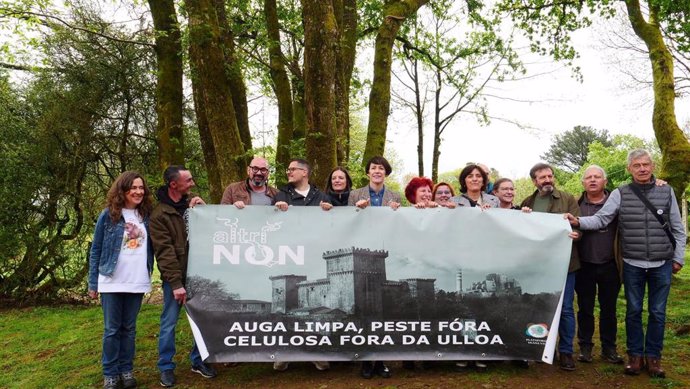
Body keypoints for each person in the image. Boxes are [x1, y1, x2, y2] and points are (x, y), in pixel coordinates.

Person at [566, 149, 686, 378]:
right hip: (632, 263)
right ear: (629, 169)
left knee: (658, 313)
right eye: (637, 165)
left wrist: (678, 257)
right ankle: (635, 357)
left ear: (652, 167)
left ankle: (653, 358)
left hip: (662, 263)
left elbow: (678, 229)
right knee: (633, 311)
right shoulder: (621, 193)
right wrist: (578, 220)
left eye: (646, 164)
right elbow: (602, 218)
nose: (642, 169)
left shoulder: (666, 190)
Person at [150, 165, 215, 387]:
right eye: (188, 181)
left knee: (203, 320)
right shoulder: (159, 214)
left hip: (199, 276)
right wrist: (176, 283)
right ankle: (166, 367)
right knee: (169, 322)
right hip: (176, 280)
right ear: (173, 184)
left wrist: (206, 212)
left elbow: (211, 234)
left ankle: (199, 360)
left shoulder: (192, 205)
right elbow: (165, 252)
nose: (193, 184)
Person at [88, 171, 154, 389]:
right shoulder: (108, 216)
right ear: (123, 190)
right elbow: (96, 249)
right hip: (111, 280)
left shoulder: (147, 216)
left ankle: (126, 370)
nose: (138, 192)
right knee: (112, 330)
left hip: (137, 280)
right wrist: (93, 283)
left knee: (129, 329)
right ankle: (110, 373)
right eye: (133, 188)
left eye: (141, 188)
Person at [519, 162, 581, 371]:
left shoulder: (568, 199)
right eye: (542, 177)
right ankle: (541, 348)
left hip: (565, 263)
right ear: (534, 181)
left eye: (550, 176)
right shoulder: (528, 202)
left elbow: (578, 225)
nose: (547, 180)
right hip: (538, 265)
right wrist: (523, 217)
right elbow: (522, 233)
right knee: (537, 306)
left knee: (564, 309)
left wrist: (576, 233)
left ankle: (566, 352)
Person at [273, 159, 330, 371]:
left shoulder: (321, 197)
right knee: (286, 309)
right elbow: (269, 225)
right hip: (289, 257)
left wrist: (329, 211)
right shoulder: (281, 196)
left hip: (313, 258)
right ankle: (284, 353)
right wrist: (276, 210)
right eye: (287, 169)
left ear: (304, 172)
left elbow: (332, 225)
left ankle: (316, 353)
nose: (288, 172)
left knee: (312, 308)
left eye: (292, 169)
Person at [574, 165, 624, 365]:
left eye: (597, 177)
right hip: (584, 264)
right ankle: (585, 347)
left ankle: (609, 348)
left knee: (609, 309)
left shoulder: (619, 203)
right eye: (588, 177)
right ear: (583, 183)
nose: (593, 180)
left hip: (610, 264)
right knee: (585, 308)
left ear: (605, 181)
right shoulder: (575, 205)